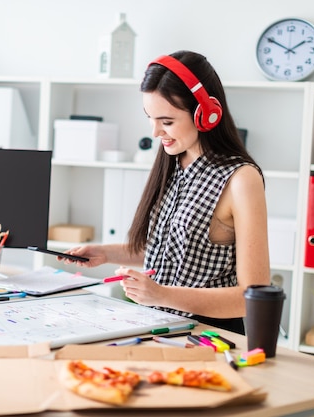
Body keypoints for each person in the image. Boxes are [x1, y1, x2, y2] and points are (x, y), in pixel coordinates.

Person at [63, 50, 270, 334]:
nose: (156, 132)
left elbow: (253, 296)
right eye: (150, 117)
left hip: (208, 336)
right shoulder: (175, 161)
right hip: (157, 327)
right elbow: (174, 251)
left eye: (167, 121)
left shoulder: (241, 179)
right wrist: (105, 253)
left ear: (206, 114)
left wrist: (161, 294)